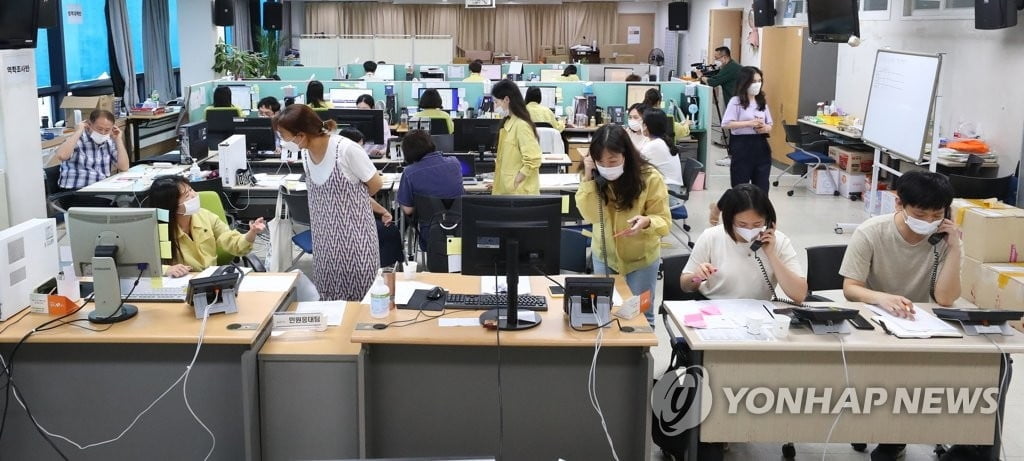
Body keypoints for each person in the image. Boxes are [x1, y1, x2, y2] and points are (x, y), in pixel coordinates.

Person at [839, 171, 961, 461]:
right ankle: (889, 434)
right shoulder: (871, 232)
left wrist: (956, 248)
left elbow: (945, 298)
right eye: (921, 213)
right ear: (899, 205)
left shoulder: (944, 240)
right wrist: (882, 297)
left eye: (937, 215)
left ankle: (905, 436)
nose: (929, 221)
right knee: (890, 370)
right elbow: (850, 288)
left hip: (923, 325)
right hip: (874, 321)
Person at [273, 104, 382, 301]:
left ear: (301, 134)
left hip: (355, 240)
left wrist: (352, 203)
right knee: (329, 302)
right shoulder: (305, 153)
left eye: (284, 135)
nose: (283, 140)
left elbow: (375, 184)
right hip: (324, 242)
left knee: (362, 301)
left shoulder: (346, 149)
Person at [576, 124, 671, 325]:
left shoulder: (649, 177)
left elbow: (664, 222)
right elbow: (590, 214)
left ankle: (642, 356)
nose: (607, 167)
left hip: (641, 258)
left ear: (625, 155)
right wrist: (588, 177)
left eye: (613, 161)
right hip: (604, 255)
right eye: (601, 162)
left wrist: (647, 222)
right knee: (603, 313)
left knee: (642, 316)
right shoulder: (593, 178)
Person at [681, 184, 806, 302]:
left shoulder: (779, 241)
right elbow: (685, 286)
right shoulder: (711, 236)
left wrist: (771, 255)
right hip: (714, 308)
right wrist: (697, 277)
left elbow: (799, 295)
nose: (750, 229)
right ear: (729, 219)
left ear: (768, 221)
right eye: (742, 224)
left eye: (757, 224)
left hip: (757, 313)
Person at [149, 176, 265, 277]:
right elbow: (143, 265)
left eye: (191, 190)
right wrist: (166, 269)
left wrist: (251, 233)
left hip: (211, 279)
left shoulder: (204, 216)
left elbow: (232, 241)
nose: (194, 195)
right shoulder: (160, 229)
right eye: (187, 195)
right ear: (172, 205)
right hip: (179, 285)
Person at [396, 130, 465, 251]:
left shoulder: (409, 172)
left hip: (429, 234)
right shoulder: (455, 163)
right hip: (460, 229)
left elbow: (407, 210)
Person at [55, 109, 130, 207]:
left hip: (100, 190)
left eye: (107, 130)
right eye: (99, 129)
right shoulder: (78, 140)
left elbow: (124, 167)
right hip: (75, 192)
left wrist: (118, 139)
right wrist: (78, 131)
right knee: (113, 206)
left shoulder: (109, 142)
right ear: (89, 124)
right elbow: (62, 155)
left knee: (129, 199)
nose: (103, 133)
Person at [721, 66, 772, 192]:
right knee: (740, 186)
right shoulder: (736, 101)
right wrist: (749, 123)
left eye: (759, 81)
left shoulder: (761, 102)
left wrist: (764, 127)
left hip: (761, 144)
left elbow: (770, 124)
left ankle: (760, 211)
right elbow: (726, 123)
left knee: (762, 186)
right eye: (754, 82)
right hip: (742, 145)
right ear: (745, 83)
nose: (757, 84)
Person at [490, 79, 542, 195]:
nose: (495, 106)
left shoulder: (522, 125)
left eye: (496, 102)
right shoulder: (508, 123)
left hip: (519, 192)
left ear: (506, 99)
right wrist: (498, 183)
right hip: (507, 190)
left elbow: (533, 159)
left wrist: (516, 181)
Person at [697, 46, 741, 166]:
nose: (716, 60)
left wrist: (701, 76)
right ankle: (734, 156)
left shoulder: (731, 68)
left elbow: (713, 82)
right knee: (735, 131)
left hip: (736, 104)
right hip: (736, 102)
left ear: (724, 57)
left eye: (717, 58)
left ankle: (733, 157)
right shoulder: (732, 66)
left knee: (735, 131)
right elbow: (718, 77)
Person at [640, 108, 683, 188]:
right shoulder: (662, 141)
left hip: (667, 192)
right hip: (672, 188)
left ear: (645, 126)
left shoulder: (654, 145)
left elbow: (636, 163)